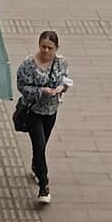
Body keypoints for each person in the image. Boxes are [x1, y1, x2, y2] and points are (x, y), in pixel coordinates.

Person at [15, 30, 69, 206]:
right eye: (43, 47)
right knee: (39, 145)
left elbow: (64, 81)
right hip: (34, 111)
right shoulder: (28, 65)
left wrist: (61, 88)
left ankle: (35, 166)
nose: (46, 51)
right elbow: (21, 86)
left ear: (56, 48)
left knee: (42, 145)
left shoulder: (61, 63)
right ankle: (44, 186)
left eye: (50, 48)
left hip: (51, 111)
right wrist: (40, 91)